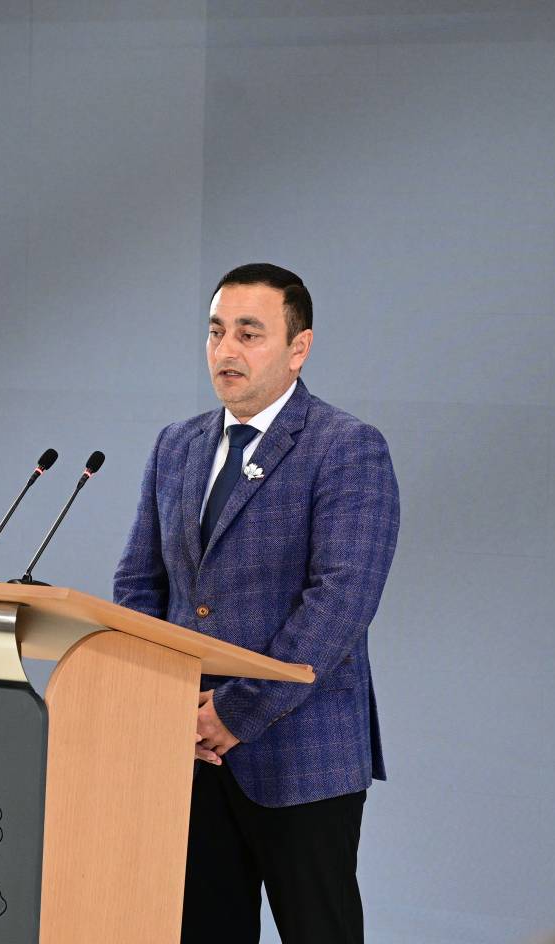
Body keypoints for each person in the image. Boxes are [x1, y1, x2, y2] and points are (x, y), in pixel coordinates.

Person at [113, 263, 400, 944]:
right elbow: (138, 586)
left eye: (249, 333)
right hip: (188, 750)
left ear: (299, 348)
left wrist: (233, 712)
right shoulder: (176, 444)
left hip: (301, 753)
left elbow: (340, 603)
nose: (226, 350)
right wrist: (165, 707)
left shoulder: (346, 448)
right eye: (216, 332)